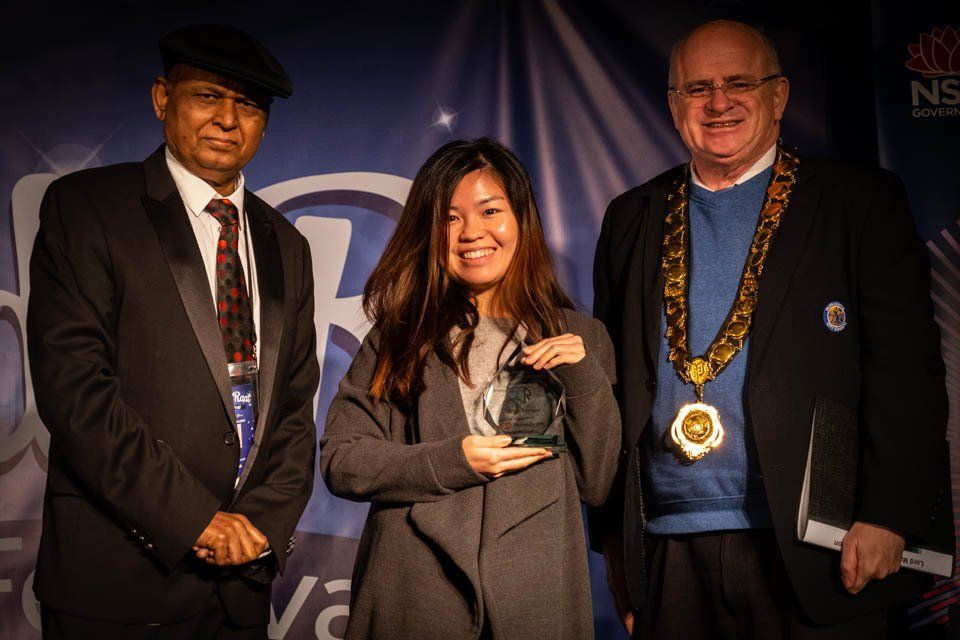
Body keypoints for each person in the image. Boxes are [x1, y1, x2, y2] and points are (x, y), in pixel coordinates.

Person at [591, 19, 949, 639]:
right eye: (698, 88)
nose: (718, 102)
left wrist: (890, 514)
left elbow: (906, 369)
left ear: (778, 96)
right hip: (669, 549)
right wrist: (617, 545)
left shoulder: (858, 202)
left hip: (820, 548)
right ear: (674, 105)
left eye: (739, 83)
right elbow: (610, 389)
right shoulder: (630, 217)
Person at [27, 24, 319, 638]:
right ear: (163, 98)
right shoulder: (87, 208)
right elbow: (75, 391)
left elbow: (294, 408)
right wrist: (193, 520)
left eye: (248, 105)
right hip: (117, 584)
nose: (227, 119)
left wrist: (262, 524)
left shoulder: (287, 244)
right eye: (208, 96)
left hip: (241, 588)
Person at [321, 138, 621, 639]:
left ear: (521, 219)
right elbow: (342, 459)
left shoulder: (580, 338)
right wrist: (452, 461)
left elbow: (597, 484)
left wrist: (584, 377)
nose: (471, 232)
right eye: (450, 217)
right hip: (415, 595)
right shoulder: (399, 336)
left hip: (534, 601)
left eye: (490, 211)